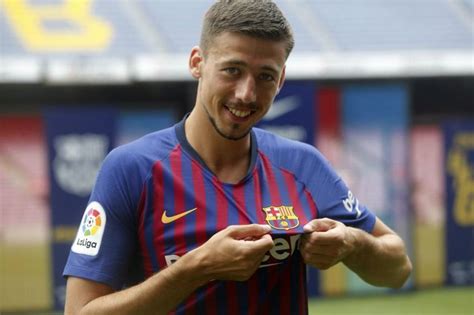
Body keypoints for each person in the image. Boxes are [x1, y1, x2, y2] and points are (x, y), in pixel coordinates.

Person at [63, 0, 412, 314]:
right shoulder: (131, 170)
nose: (247, 94)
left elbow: (398, 268)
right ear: (197, 62)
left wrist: (352, 244)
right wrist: (195, 268)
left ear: (281, 79)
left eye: (265, 77)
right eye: (233, 70)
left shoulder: (302, 165)